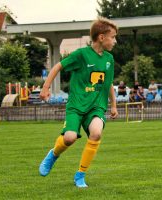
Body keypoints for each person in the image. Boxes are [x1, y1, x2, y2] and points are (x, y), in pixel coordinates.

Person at [38, 17, 119, 188]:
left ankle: (80, 175)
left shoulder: (109, 59)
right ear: (101, 37)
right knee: (69, 138)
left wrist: (113, 105)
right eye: (113, 37)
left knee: (96, 133)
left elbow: (109, 83)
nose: (115, 41)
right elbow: (57, 66)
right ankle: (53, 154)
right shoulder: (81, 55)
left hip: (96, 107)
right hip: (76, 106)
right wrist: (46, 88)